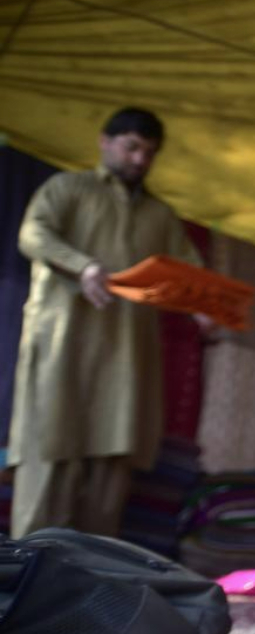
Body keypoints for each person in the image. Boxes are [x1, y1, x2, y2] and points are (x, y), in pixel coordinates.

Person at [8, 107, 204, 538]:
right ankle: (26, 570)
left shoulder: (160, 216)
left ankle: (92, 575)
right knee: (49, 451)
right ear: (105, 142)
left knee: (111, 466)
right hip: (63, 347)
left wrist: (206, 308)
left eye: (148, 152)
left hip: (126, 360)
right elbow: (33, 235)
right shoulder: (66, 189)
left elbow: (189, 276)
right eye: (131, 147)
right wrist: (83, 267)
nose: (139, 160)